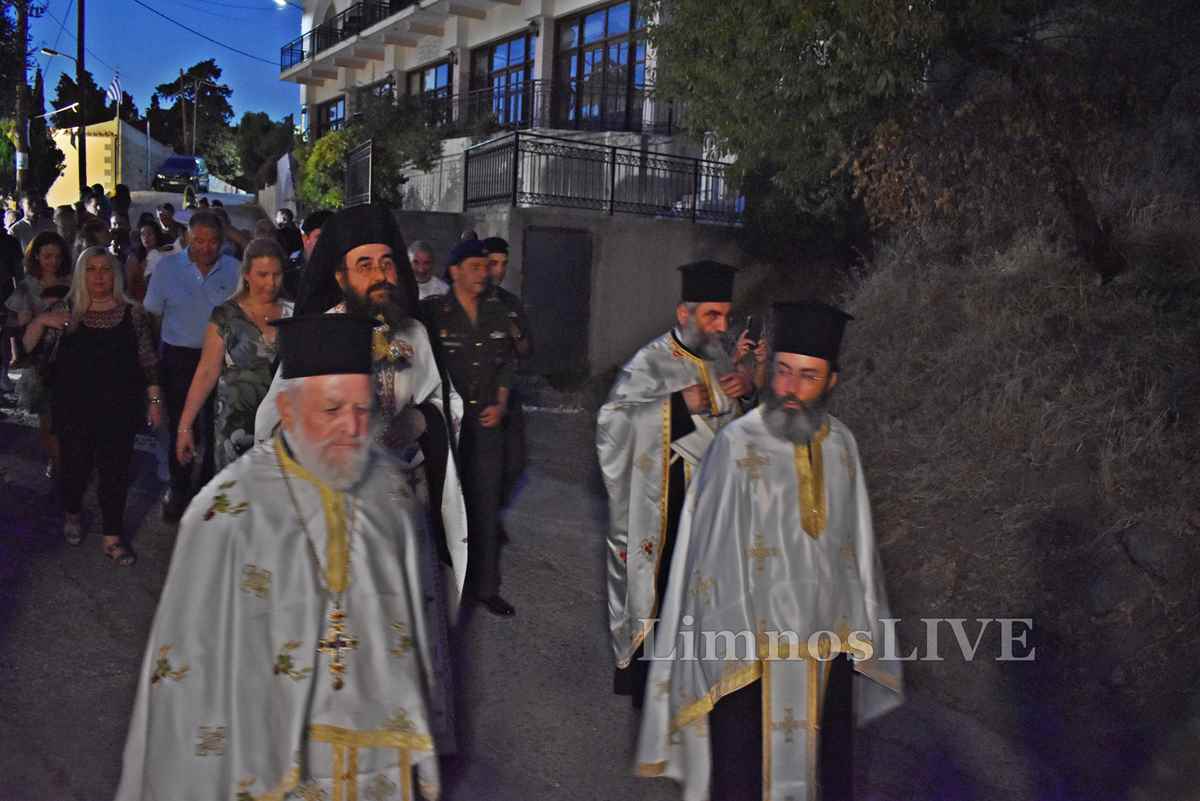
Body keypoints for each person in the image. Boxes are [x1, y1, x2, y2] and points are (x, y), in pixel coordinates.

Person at [116, 314, 449, 801]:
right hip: (267, 758)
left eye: (362, 409)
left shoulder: (390, 493)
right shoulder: (226, 512)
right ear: (288, 411)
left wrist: (423, 737)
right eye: (332, 409)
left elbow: (415, 623)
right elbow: (186, 668)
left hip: (373, 756)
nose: (352, 428)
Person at [634, 301, 903, 801]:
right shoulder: (735, 445)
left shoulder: (843, 446)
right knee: (745, 775)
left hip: (824, 650)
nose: (792, 388)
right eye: (783, 371)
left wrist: (856, 627)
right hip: (748, 655)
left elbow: (857, 552)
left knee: (825, 771)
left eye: (808, 375)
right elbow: (706, 561)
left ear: (831, 381)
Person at [257, 204, 470, 746]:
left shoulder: (415, 335)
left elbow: (447, 405)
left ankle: (398, 754)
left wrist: (420, 421)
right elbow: (271, 421)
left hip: (402, 518)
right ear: (340, 276)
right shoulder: (315, 334)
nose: (380, 274)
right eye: (365, 264)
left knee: (402, 645)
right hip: (333, 522)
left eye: (386, 262)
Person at [596, 261, 756, 707]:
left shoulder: (718, 356)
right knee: (662, 593)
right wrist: (677, 406)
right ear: (684, 314)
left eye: (725, 315)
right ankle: (652, 691)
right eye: (712, 315)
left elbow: (735, 424)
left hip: (714, 500)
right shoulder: (649, 362)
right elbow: (611, 425)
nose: (722, 326)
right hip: (664, 503)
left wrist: (747, 388)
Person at [37, 247, 161, 565]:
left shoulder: (133, 313)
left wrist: (155, 400)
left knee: (115, 472)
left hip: (119, 409)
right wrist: (40, 322)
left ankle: (112, 536)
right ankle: (72, 512)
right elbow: (36, 356)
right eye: (91, 269)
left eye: (105, 269)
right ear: (81, 275)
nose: (99, 276)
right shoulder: (66, 310)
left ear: (114, 274)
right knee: (75, 469)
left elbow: (148, 361)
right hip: (73, 408)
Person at [422, 239, 518, 617]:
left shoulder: (497, 312)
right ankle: (444, 584)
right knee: (444, 504)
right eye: (475, 267)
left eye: (485, 267)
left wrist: (501, 403)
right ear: (455, 272)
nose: (483, 273)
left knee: (486, 505)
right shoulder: (434, 313)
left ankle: (486, 588)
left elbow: (507, 364)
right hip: (446, 427)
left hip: (486, 425)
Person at [143, 210, 241, 521]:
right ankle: (178, 487)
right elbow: (153, 313)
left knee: (216, 427)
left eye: (212, 241)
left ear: (221, 242)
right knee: (180, 426)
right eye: (199, 240)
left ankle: (207, 491)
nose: (205, 248)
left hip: (221, 359)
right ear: (188, 238)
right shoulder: (167, 268)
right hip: (178, 358)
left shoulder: (234, 269)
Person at [176, 238, 293, 471]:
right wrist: (185, 426)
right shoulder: (225, 316)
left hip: (281, 427)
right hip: (235, 429)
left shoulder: (293, 313)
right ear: (247, 275)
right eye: (263, 275)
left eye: (276, 275)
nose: (271, 283)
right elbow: (206, 372)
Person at [6, 231, 72, 477]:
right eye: (47, 256)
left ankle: (70, 461)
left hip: (72, 357)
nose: (53, 261)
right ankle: (57, 462)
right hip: (42, 363)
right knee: (48, 420)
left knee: (72, 418)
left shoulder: (72, 282)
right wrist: (42, 320)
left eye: (57, 256)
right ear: (36, 256)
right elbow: (22, 334)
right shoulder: (27, 287)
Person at [480, 236, 531, 541]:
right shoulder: (466, 299)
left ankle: (492, 513)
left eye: (503, 264)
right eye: (492, 263)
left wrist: (514, 331)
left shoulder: (511, 303)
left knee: (514, 463)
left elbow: (526, 350)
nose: (498, 270)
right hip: (475, 393)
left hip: (508, 391)